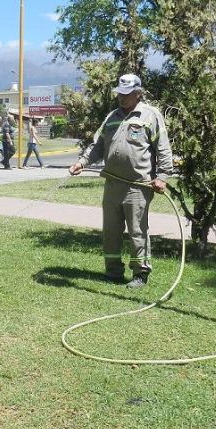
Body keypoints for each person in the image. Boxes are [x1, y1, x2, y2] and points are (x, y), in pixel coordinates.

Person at [68, 73, 173, 288]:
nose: (121, 98)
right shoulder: (112, 116)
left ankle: (140, 274)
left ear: (138, 94)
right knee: (110, 230)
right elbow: (97, 145)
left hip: (138, 186)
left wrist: (162, 176)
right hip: (113, 184)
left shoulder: (150, 116)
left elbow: (163, 148)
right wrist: (82, 162)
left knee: (137, 231)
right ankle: (113, 271)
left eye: (126, 95)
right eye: (119, 94)